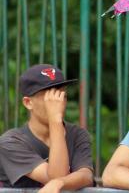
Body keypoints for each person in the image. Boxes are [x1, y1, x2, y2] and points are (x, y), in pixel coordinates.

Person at [0, 64, 93, 192]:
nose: (58, 103)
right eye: (49, 97)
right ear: (28, 102)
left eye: (61, 95)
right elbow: (56, 175)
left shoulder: (77, 134)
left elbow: (86, 175)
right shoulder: (10, 142)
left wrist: (60, 183)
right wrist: (55, 120)